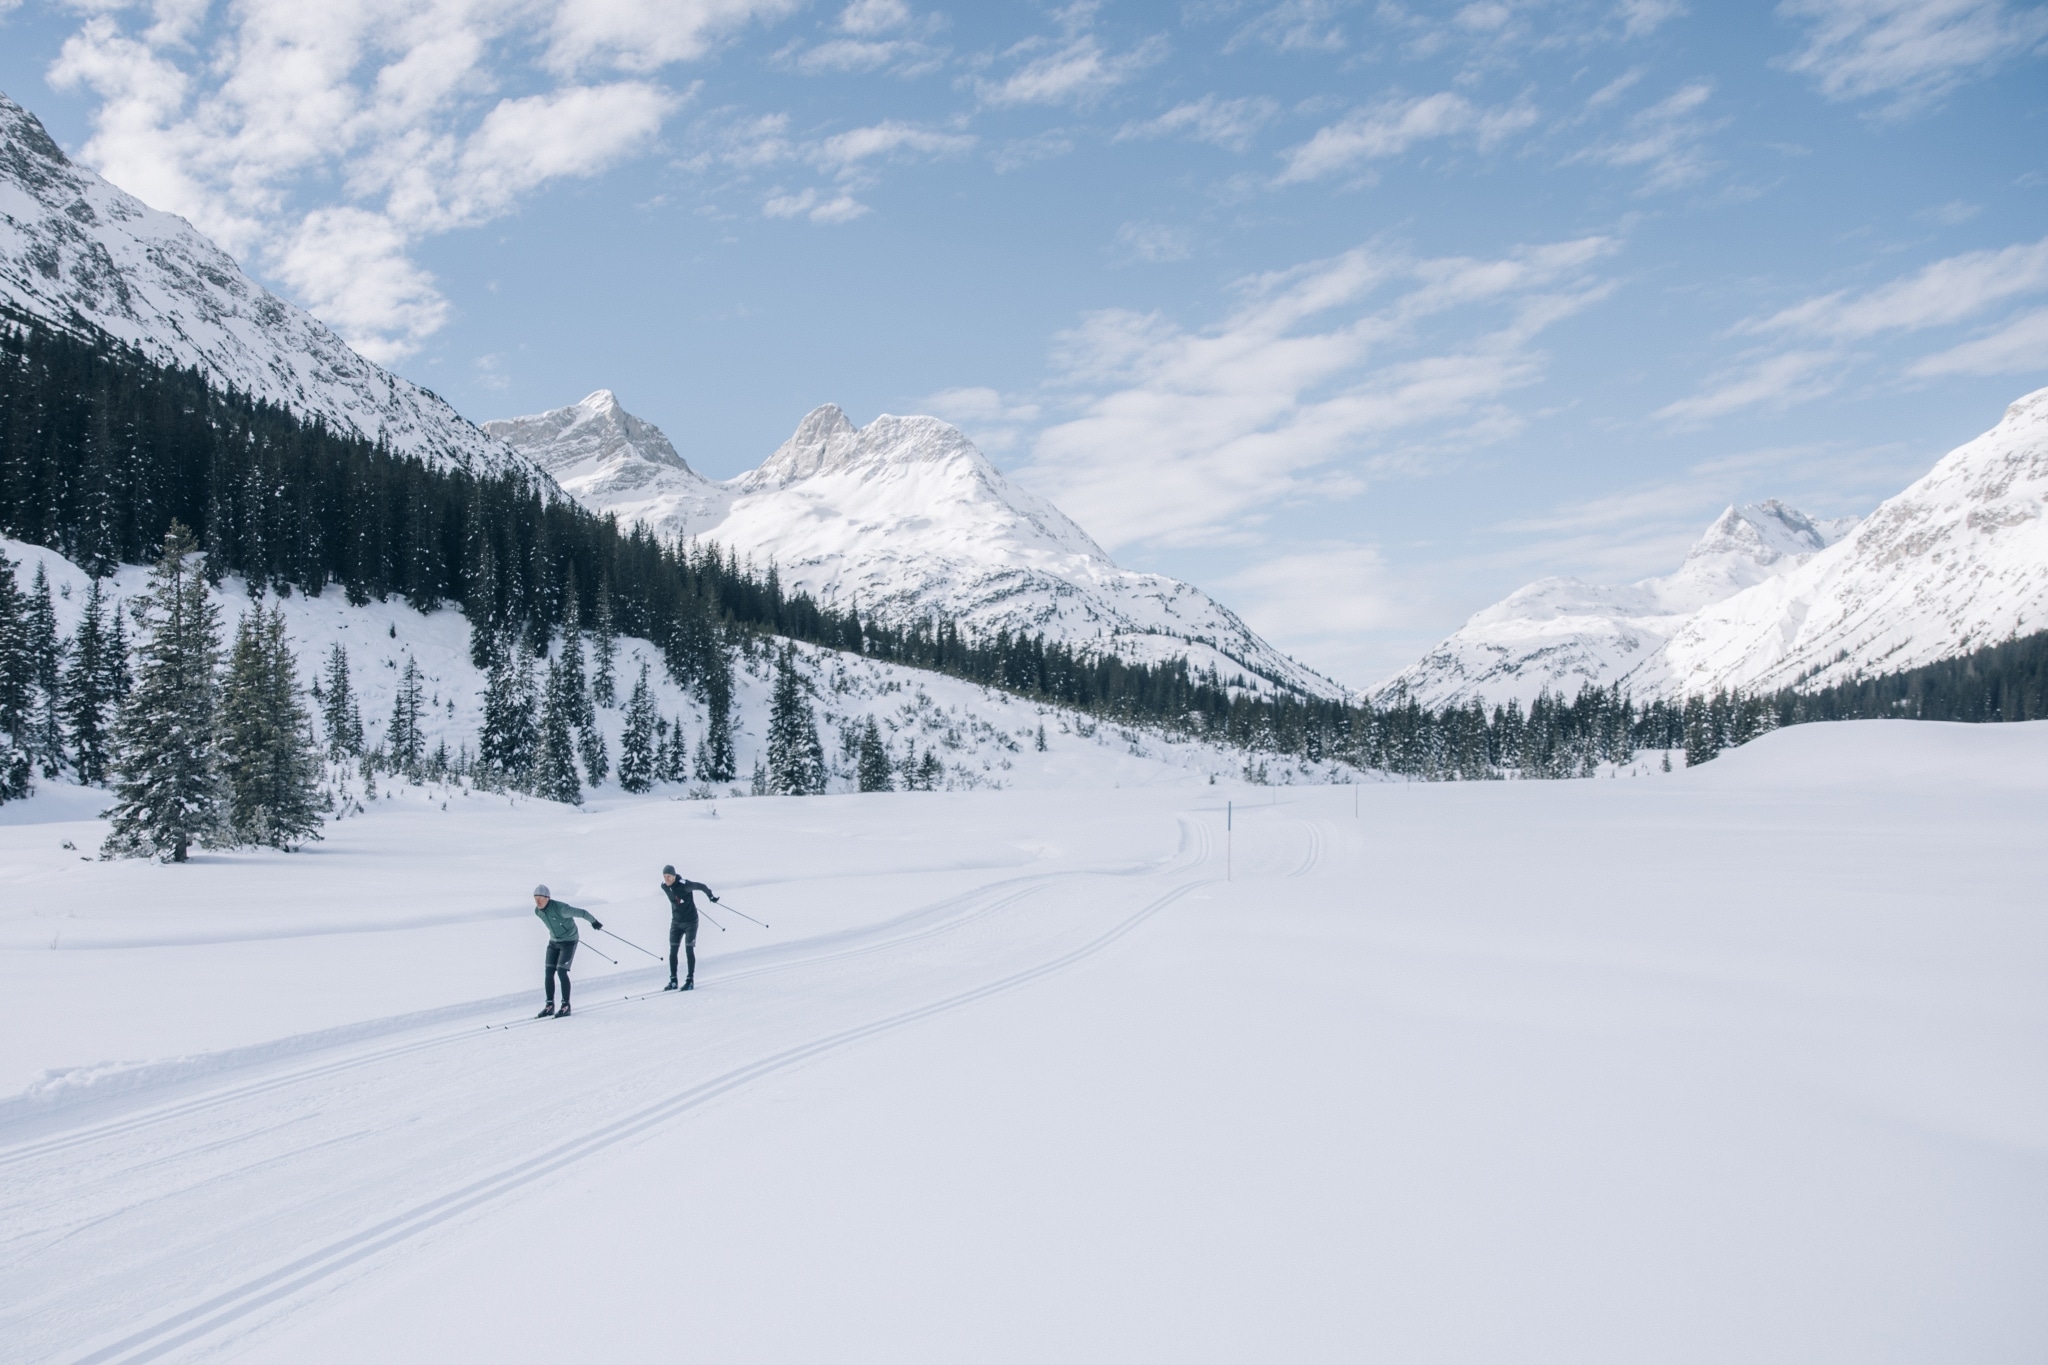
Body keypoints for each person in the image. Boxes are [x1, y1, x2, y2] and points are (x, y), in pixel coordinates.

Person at [532, 884, 601, 1018]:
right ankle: (549, 1006)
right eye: (535, 898)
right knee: (549, 972)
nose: (537, 901)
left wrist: (594, 922)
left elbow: (582, 913)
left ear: (548, 898)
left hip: (569, 942)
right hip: (554, 942)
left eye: (540, 898)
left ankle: (566, 1006)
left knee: (562, 971)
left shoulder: (561, 909)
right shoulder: (538, 911)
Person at [660, 864, 718, 991]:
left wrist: (711, 896)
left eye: (669, 876)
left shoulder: (685, 885)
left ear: (674, 875)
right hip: (676, 923)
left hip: (691, 922)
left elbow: (701, 886)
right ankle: (673, 980)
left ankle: (690, 980)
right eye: (665, 876)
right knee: (673, 951)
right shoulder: (664, 887)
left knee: (689, 950)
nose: (667, 879)